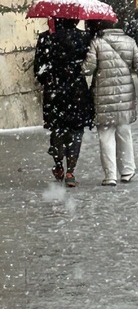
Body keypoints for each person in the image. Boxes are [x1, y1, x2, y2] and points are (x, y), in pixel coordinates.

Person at [83, 19, 138, 186]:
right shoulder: (130, 42)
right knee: (124, 132)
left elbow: (87, 69)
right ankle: (127, 171)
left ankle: (110, 175)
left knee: (105, 136)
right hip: (124, 97)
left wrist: (81, 63)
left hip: (103, 96)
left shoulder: (97, 43)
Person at [33, 18, 94, 187]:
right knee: (76, 131)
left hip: (55, 91)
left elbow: (38, 69)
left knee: (58, 129)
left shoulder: (46, 38)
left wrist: (51, 79)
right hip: (77, 91)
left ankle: (59, 164)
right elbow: (89, 64)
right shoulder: (84, 38)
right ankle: (70, 171)